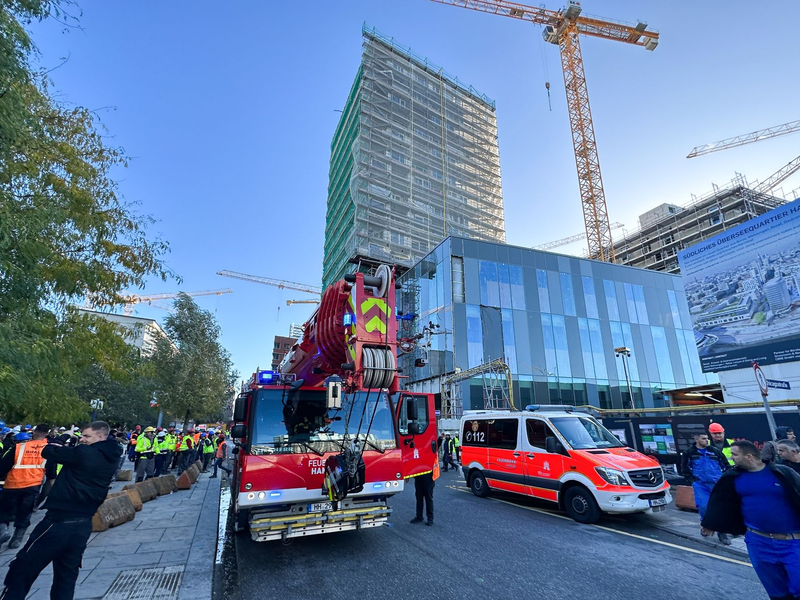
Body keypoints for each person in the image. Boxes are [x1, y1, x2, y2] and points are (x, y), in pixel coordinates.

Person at [0, 421, 122, 600]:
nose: (82, 439)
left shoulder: (84, 453)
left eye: (87, 436)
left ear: (101, 436)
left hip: (58, 521)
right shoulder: (111, 456)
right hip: (82, 524)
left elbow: (48, 450)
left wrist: (66, 436)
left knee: (23, 567)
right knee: (66, 575)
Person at [701, 440, 800, 600]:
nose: (731, 458)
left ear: (748, 456)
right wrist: (710, 523)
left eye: (734, 454)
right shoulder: (733, 478)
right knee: (777, 592)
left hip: (793, 543)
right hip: (758, 543)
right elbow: (720, 501)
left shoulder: (782, 472)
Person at [0, 425, 49, 549]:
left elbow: (3, 466)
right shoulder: (48, 449)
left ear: (34, 432)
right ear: (46, 434)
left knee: (4, 510)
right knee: (25, 512)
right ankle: (17, 539)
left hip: (13, 484)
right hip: (33, 486)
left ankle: (3, 531)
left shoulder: (19, 447)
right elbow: (51, 473)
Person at [681, 431, 731, 546]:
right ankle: (706, 525)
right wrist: (693, 481)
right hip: (701, 484)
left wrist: (724, 479)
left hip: (716, 484)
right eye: (703, 438)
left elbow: (726, 466)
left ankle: (722, 533)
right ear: (696, 439)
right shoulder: (689, 452)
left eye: (707, 438)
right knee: (703, 507)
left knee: (720, 509)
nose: (706, 440)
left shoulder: (714, 451)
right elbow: (685, 468)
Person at [410, 458, 438, 527]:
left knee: (428, 498)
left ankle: (430, 518)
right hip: (418, 475)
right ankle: (419, 516)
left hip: (429, 476)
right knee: (419, 497)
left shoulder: (431, 448)